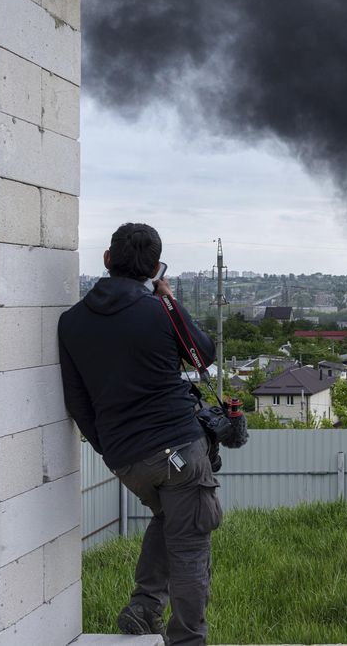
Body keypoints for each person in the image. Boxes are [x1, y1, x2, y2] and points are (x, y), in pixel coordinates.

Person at [58, 223, 220, 646]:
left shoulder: (71, 323)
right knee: (189, 542)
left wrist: (112, 450)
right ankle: (186, 640)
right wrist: (168, 299)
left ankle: (145, 606)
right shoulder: (158, 309)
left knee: (170, 519)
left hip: (127, 460)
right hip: (179, 451)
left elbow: (77, 403)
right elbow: (204, 355)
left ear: (108, 260)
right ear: (154, 269)